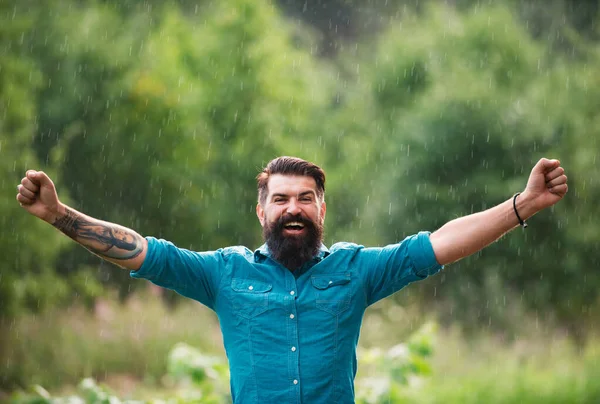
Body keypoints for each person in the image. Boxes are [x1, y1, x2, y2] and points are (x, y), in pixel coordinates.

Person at [16, 156, 568, 403]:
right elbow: (142, 254)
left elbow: (442, 242)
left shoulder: (357, 270)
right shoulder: (223, 274)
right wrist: (62, 216)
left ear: (322, 209)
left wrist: (525, 203)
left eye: (306, 198)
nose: (293, 208)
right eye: (280, 199)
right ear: (262, 212)